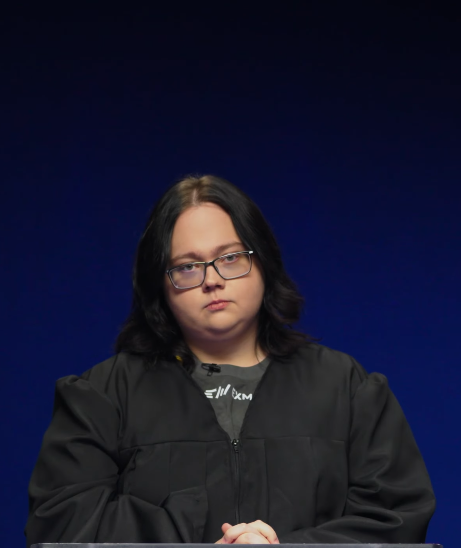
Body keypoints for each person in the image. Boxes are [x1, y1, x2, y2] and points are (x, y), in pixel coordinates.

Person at [25, 175, 435, 546]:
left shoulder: (345, 388)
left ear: (263, 262)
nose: (212, 280)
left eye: (230, 257)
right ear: (160, 285)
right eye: (187, 266)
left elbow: (395, 519)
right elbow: (62, 523)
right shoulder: (104, 396)